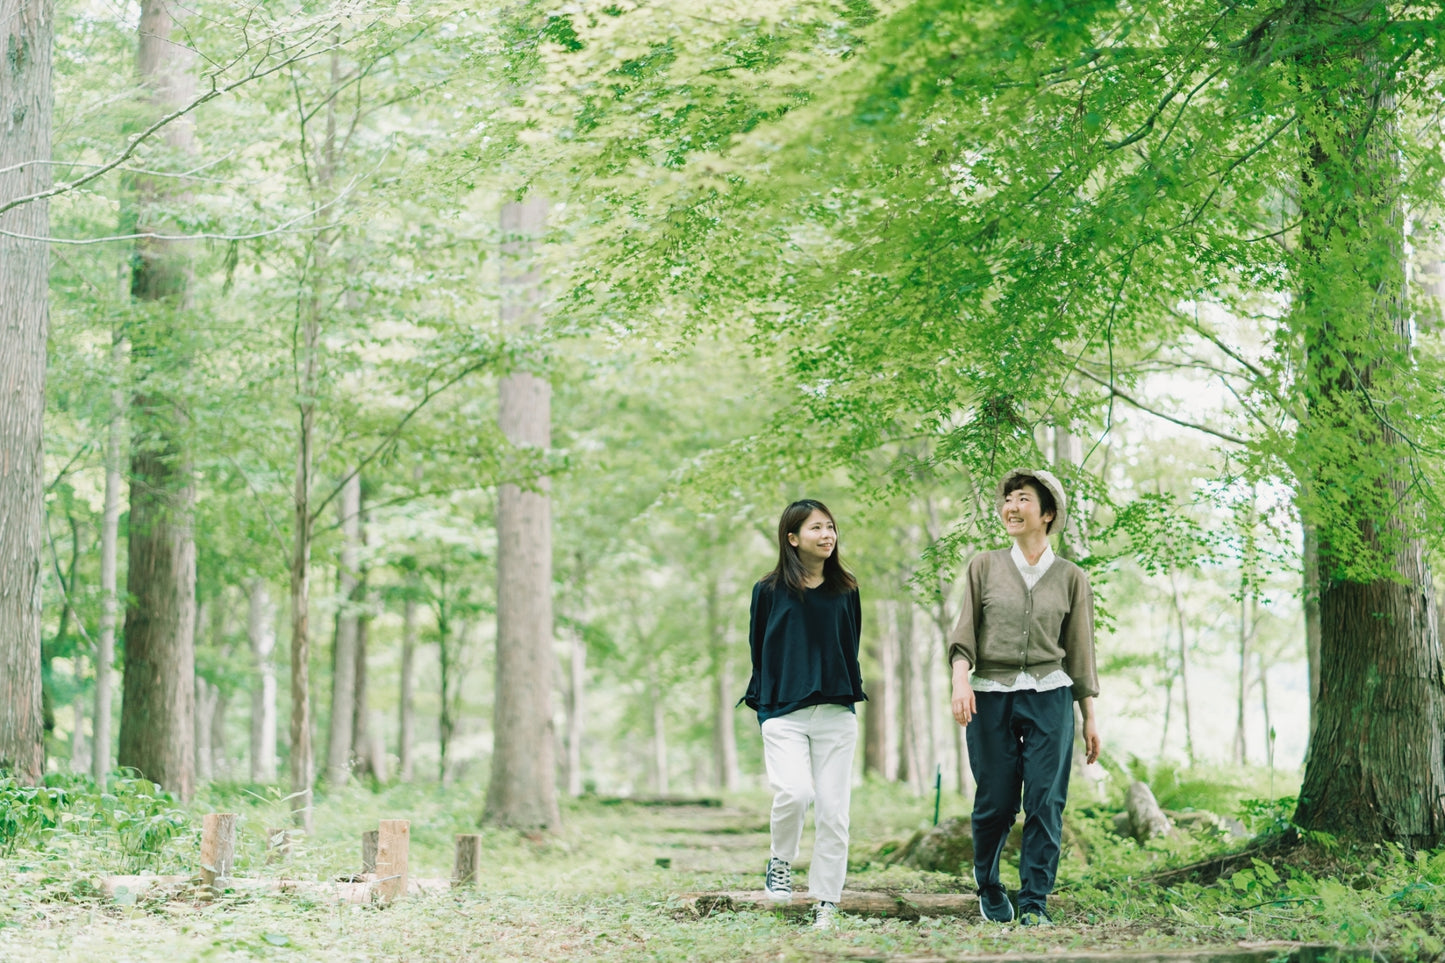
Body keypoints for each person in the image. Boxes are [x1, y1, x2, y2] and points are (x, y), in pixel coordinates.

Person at [947, 468, 1100, 927]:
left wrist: (1089, 717)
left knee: (1045, 800)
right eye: (1007, 499)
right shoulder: (984, 566)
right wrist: (959, 681)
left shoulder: (1072, 577)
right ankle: (989, 885)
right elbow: (964, 634)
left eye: (1022, 499)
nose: (1010, 507)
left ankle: (1034, 900)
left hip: (1051, 696)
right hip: (989, 695)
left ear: (1047, 513)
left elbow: (1081, 653)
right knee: (995, 800)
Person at [741, 499, 866, 931]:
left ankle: (826, 902)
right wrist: (768, 701)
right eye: (817, 528)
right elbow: (759, 648)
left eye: (831, 527)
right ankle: (780, 860)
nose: (827, 535)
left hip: (835, 711)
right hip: (782, 712)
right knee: (794, 793)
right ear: (792, 538)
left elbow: (850, 643)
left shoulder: (847, 589)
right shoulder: (768, 591)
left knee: (834, 813)